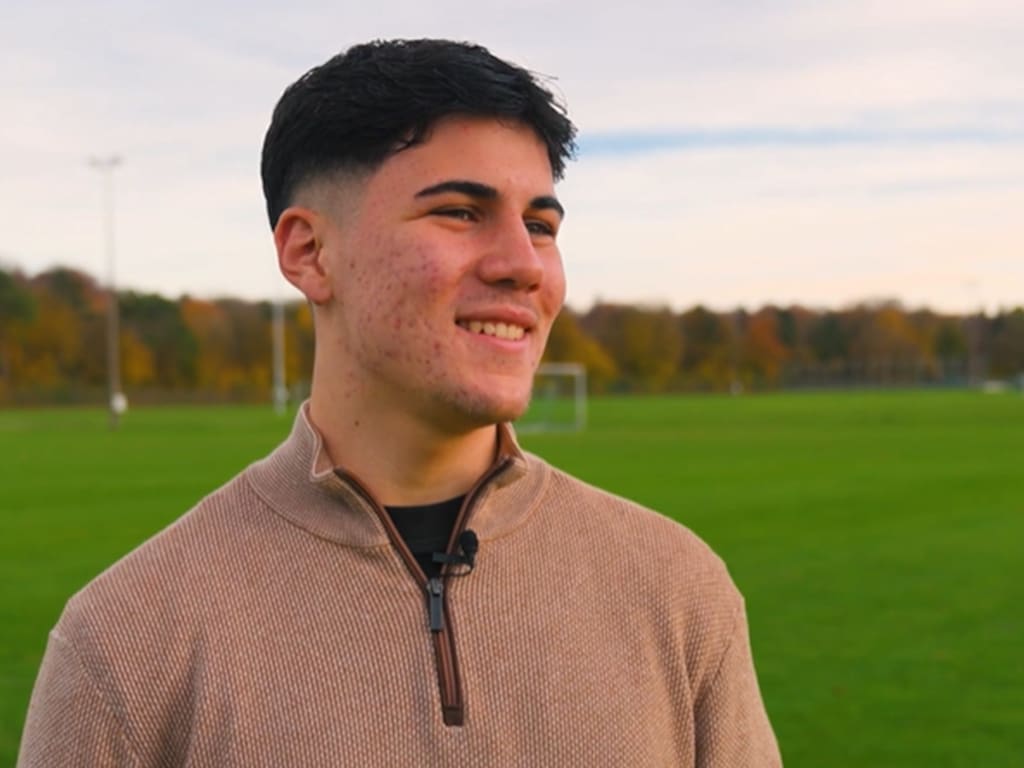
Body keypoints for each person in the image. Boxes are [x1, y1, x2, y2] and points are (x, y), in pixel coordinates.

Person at [19, 39, 781, 766]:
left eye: (541, 225)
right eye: (459, 211)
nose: (523, 264)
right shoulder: (124, 645)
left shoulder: (678, 591)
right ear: (310, 253)